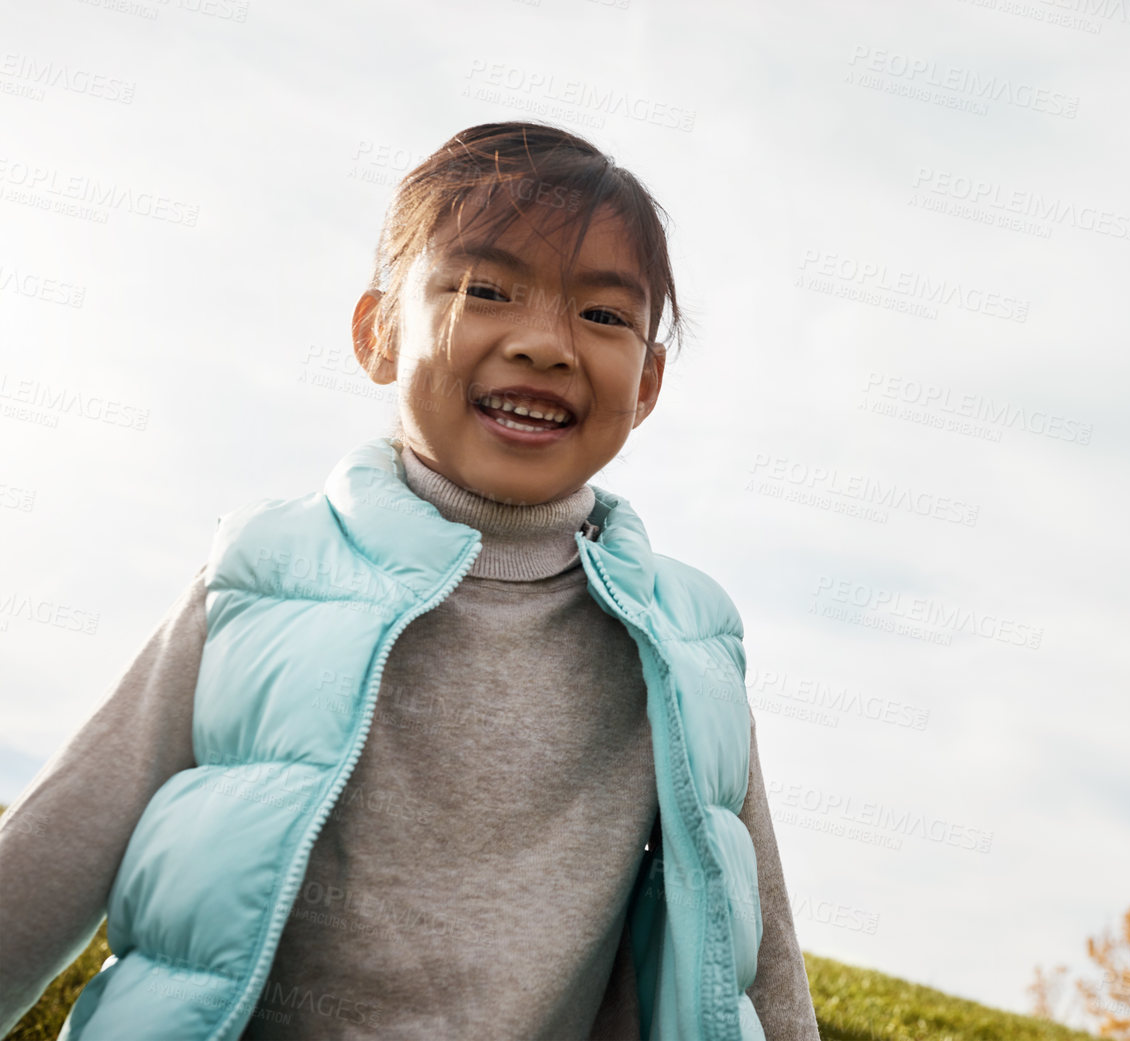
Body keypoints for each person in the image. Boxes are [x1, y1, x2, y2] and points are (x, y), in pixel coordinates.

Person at [0, 121, 820, 1041]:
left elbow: (757, 963)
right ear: (379, 332)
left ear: (649, 381)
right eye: (486, 289)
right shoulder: (270, 575)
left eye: (602, 314)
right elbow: (57, 846)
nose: (546, 344)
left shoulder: (684, 641)